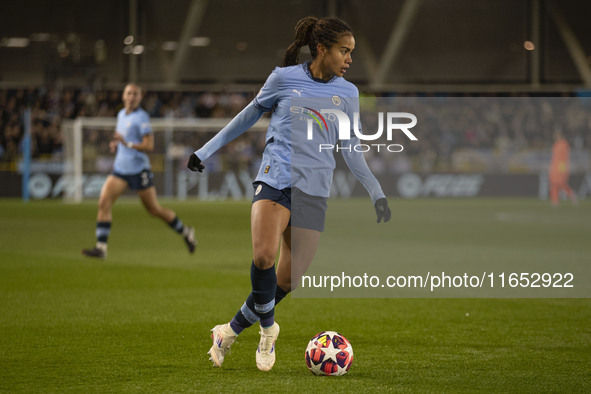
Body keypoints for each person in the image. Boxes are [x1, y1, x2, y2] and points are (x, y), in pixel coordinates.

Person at [187, 16, 391, 371]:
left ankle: (228, 331)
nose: (349, 59)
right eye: (345, 51)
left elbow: (352, 148)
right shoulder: (283, 78)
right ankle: (268, 331)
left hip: (315, 192)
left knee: (290, 279)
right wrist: (204, 151)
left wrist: (376, 192)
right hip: (276, 178)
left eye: (351, 52)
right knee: (264, 257)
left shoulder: (348, 94)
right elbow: (248, 117)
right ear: (322, 49)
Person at [83, 83, 196, 259]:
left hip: (138, 171)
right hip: (120, 170)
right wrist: (116, 144)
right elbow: (123, 139)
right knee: (103, 202)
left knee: (154, 210)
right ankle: (101, 248)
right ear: (123, 96)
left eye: (135, 94)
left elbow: (149, 145)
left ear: (140, 98)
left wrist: (127, 143)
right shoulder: (121, 114)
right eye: (129, 93)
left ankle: (185, 231)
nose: (132, 96)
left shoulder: (141, 117)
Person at [549, 128, 577, 206]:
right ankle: (555, 201)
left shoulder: (564, 144)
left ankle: (571, 195)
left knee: (562, 184)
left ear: (560, 135)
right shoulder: (556, 144)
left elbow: (565, 157)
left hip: (561, 167)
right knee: (553, 183)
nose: (554, 136)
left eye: (556, 134)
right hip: (554, 167)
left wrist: (563, 168)